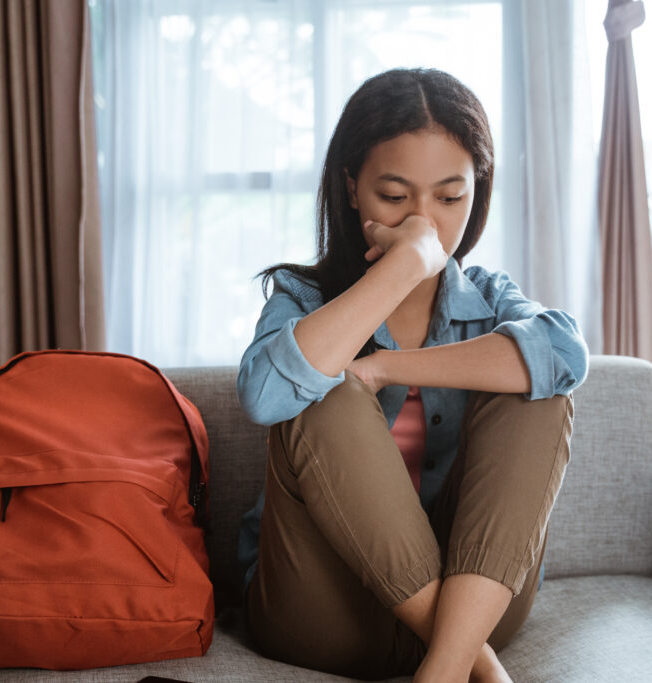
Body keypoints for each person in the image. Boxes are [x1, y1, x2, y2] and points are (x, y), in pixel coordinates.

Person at [235, 68, 588, 683]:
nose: (424, 220)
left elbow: (566, 356)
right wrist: (407, 265)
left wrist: (387, 367)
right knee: (325, 386)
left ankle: (446, 667)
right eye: (395, 198)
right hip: (323, 618)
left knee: (535, 385)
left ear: (478, 190)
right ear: (351, 188)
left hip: (471, 611)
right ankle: (474, 669)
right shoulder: (302, 297)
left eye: (449, 198)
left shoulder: (491, 299)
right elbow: (265, 396)